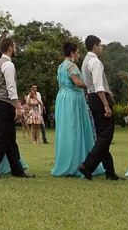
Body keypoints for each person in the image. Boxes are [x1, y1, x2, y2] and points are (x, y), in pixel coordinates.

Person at [0, 37, 32, 179]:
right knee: (1, 137)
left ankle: (17, 170)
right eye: (15, 47)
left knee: (10, 139)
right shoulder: (8, 64)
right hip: (5, 103)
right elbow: (11, 87)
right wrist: (18, 106)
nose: (15, 49)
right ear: (10, 48)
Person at [51, 43, 101, 177]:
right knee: (74, 129)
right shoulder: (71, 66)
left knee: (66, 129)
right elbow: (78, 82)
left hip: (63, 98)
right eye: (77, 53)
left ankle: (67, 161)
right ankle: (76, 163)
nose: (79, 55)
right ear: (72, 53)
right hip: (73, 99)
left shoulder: (60, 66)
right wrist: (92, 86)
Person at [77, 35, 120, 181]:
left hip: (92, 96)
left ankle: (110, 171)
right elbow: (98, 85)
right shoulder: (95, 61)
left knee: (102, 135)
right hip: (99, 97)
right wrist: (106, 104)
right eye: (100, 45)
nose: (101, 48)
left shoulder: (85, 61)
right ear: (95, 46)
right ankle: (87, 165)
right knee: (106, 135)